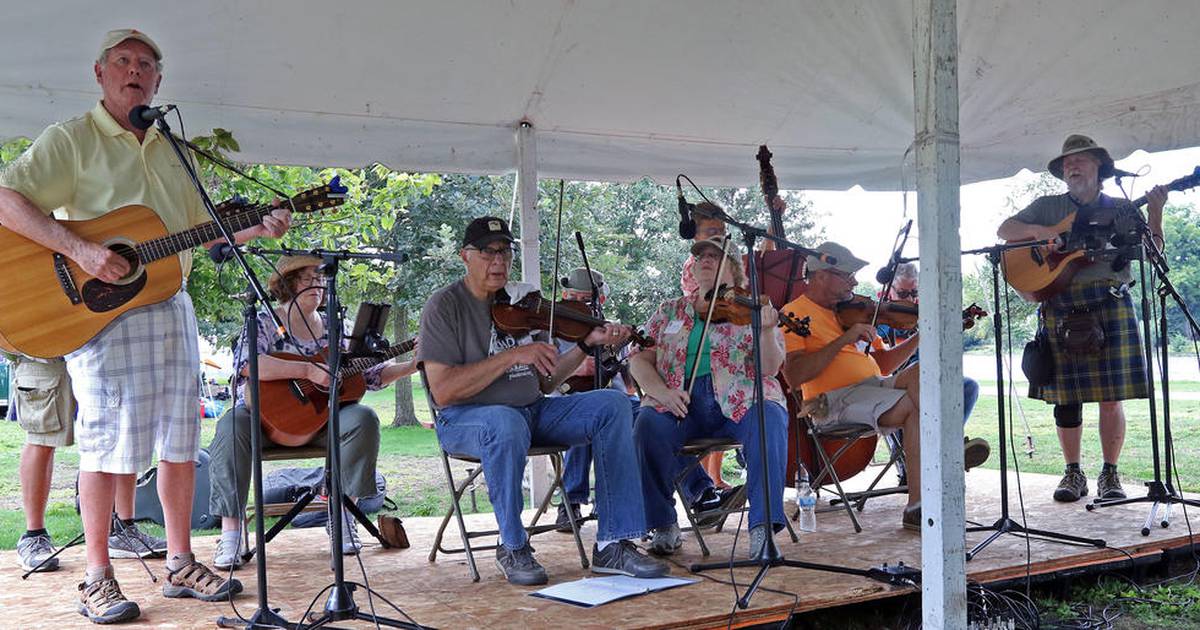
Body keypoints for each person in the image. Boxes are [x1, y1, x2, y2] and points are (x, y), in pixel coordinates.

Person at [0, 29, 290, 623]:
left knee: (181, 440)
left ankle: (181, 561)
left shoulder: (171, 148)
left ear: (159, 82)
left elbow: (199, 230)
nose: (136, 71)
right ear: (100, 73)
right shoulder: (72, 140)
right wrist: (77, 250)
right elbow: (7, 200)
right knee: (106, 446)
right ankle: (97, 576)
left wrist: (256, 227)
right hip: (98, 311)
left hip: (168, 303)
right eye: (124, 61)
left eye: (148, 64)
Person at [418, 216, 668, 586]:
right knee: (504, 421)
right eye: (489, 252)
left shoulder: (521, 301)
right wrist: (511, 357)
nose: (499, 261)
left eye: (505, 251)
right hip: (465, 419)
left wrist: (585, 345)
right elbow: (442, 391)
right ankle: (512, 545)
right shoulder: (444, 306)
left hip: (532, 410)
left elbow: (547, 380)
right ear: (465, 256)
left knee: (613, 405)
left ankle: (613, 542)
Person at [207, 255, 417, 569]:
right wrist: (307, 369)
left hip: (320, 419)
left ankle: (344, 515)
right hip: (262, 418)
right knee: (229, 428)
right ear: (288, 284)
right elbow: (247, 365)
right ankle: (231, 533)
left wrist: (412, 364)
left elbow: (372, 375)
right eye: (308, 279)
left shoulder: (337, 326)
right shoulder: (264, 321)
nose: (317, 286)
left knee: (364, 418)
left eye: (321, 279)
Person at [997, 134, 1167, 503]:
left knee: (1111, 397)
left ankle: (1110, 475)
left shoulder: (1122, 207)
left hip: (1110, 301)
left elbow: (1153, 253)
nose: (1072, 167)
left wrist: (1155, 213)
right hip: (1061, 302)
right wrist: (1042, 233)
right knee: (1067, 399)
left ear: (1100, 168)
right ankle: (1073, 473)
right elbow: (1005, 231)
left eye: (1081, 161)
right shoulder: (1047, 207)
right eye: (1067, 163)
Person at [781, 242, 988, 530]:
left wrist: (922, 333)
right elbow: (794, 376)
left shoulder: (851, 311)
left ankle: (922, 497)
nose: (854, 281)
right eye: (847, 274)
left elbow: (885, 364)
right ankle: (940, 467)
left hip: (872, 385)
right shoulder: (793, 314)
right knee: (913, 409)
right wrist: (843, 339)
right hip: (832, 401)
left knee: (925, 372)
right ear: (820, 276)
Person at [632, 235, 788, 558]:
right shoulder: (670, 310)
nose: (704, 259)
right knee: (646, 423)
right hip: (681, 401)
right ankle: (662, 523)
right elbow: (638, 358)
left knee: (768, 417)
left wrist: (767, 329)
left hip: (740, 399)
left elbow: (770, 367)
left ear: (733, 267)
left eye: (714, 256)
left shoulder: (752, 307)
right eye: (700, 255)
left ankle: (762, 530)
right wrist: (662, 393)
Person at [10, 356, 167, 573]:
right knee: (41, 437)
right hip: (44, 351)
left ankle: (124, 529)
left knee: (122, 429)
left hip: (101, 349)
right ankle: (33, 536)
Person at [875, 262, 987, 485]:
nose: (910, 299)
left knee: (968, 386)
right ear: (887, 292)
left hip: (925, 381)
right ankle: (943, 453)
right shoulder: (880, 319)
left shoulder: (922, 316)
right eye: (903, 293)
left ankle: (946, 447)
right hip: (894, 384)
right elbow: (882, 363)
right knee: (914, 394)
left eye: (915, 293)